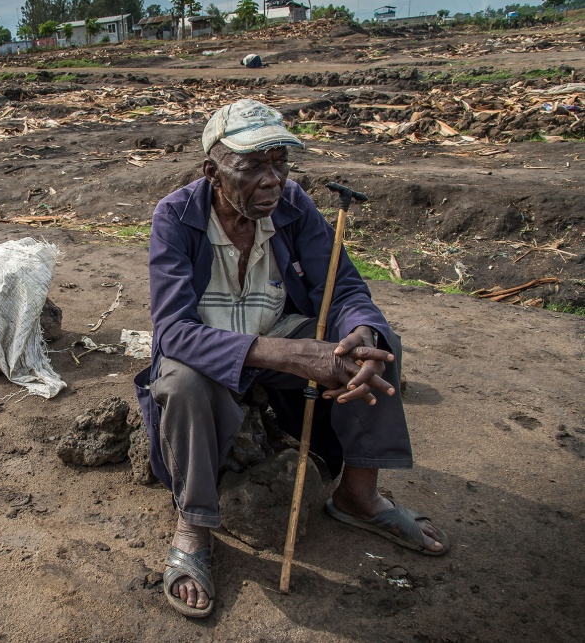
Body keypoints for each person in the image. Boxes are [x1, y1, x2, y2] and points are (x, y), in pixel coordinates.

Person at [134, 99, 449, 619]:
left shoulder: (295, 206)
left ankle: (358, 497)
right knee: (182, 384)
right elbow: (173, 331)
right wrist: (295, 355)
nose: (272, 179)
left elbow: (344, 290)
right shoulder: (176, 216)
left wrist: (359, 331)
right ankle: (194, 526)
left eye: (280, 163)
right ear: (212, 170)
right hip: (210, 349)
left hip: (277, 329)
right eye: (253, 165)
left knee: (375, 348)